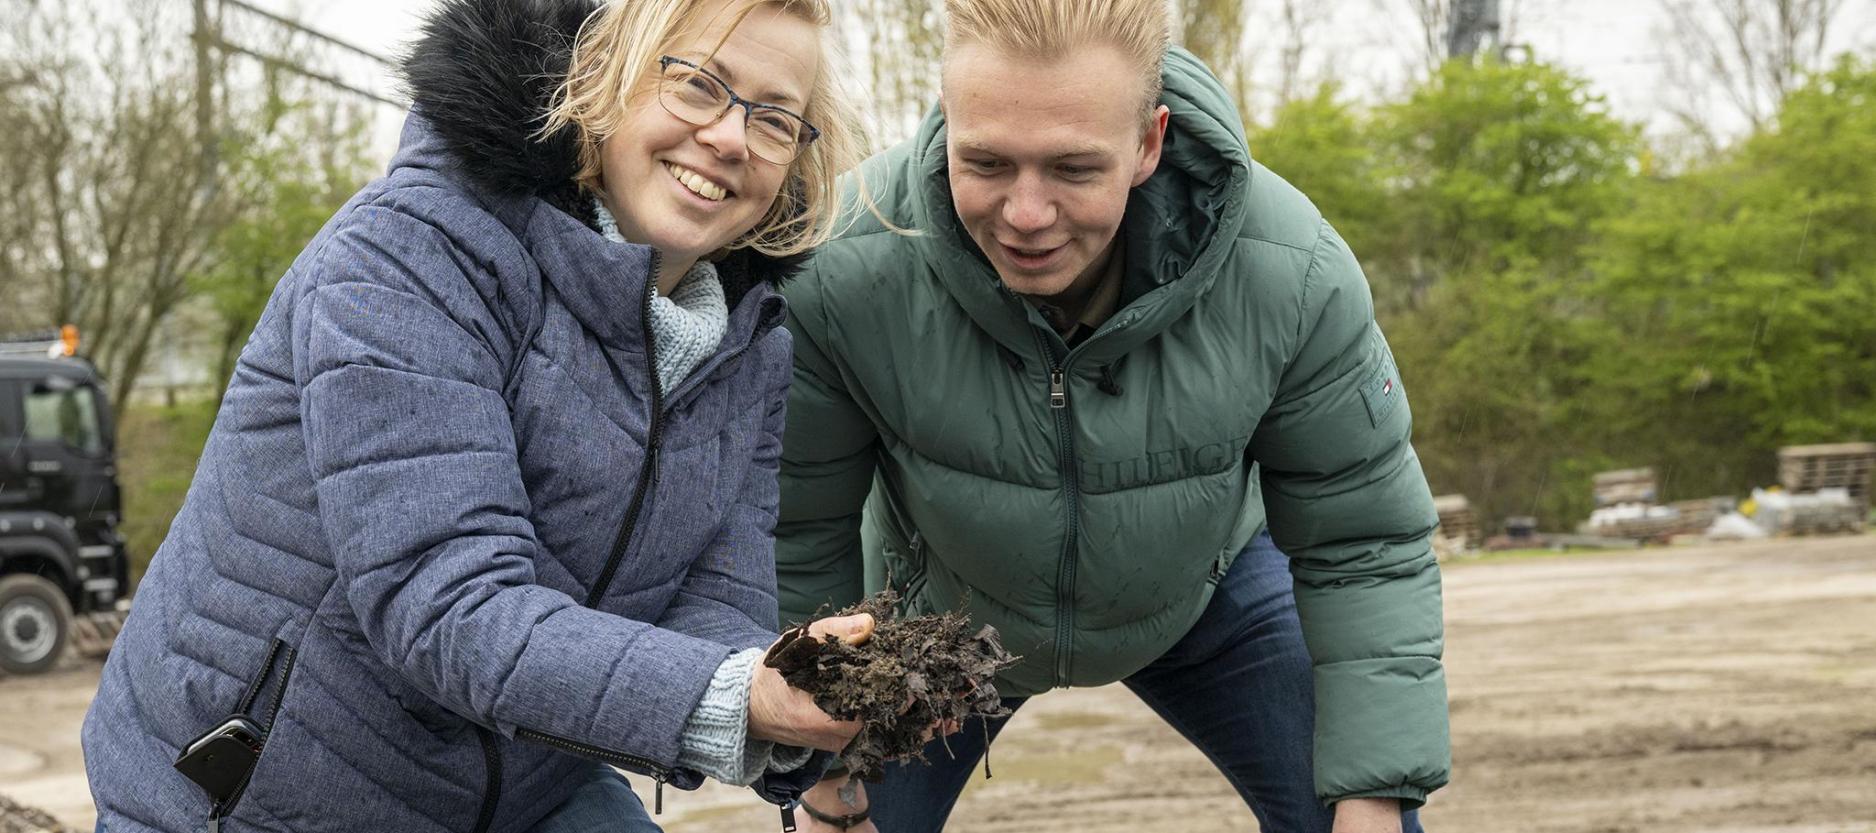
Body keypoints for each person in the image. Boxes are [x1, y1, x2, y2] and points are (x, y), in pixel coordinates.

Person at [81, 0, 879, 830]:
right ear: (599, 82)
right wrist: (738, 698)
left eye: (776, 119)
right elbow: (449, 606)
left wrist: (789, 684)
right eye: (697, 85)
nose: (730, 137)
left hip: (526, 787)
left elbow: (715, 595)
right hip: (261, 794)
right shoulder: (405, 255)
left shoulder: (747, 346)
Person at [773, 0, 1451, 830]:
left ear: (1148, 143)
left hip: (1203, 593)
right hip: (936, 610)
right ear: (946, 122)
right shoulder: (843, 263)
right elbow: (800, 528)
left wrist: (1374, 801)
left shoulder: (1294, 276)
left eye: (1073, 169)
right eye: (986, 161)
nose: (1026, 214)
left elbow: (1363, 540)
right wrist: (822, 778)